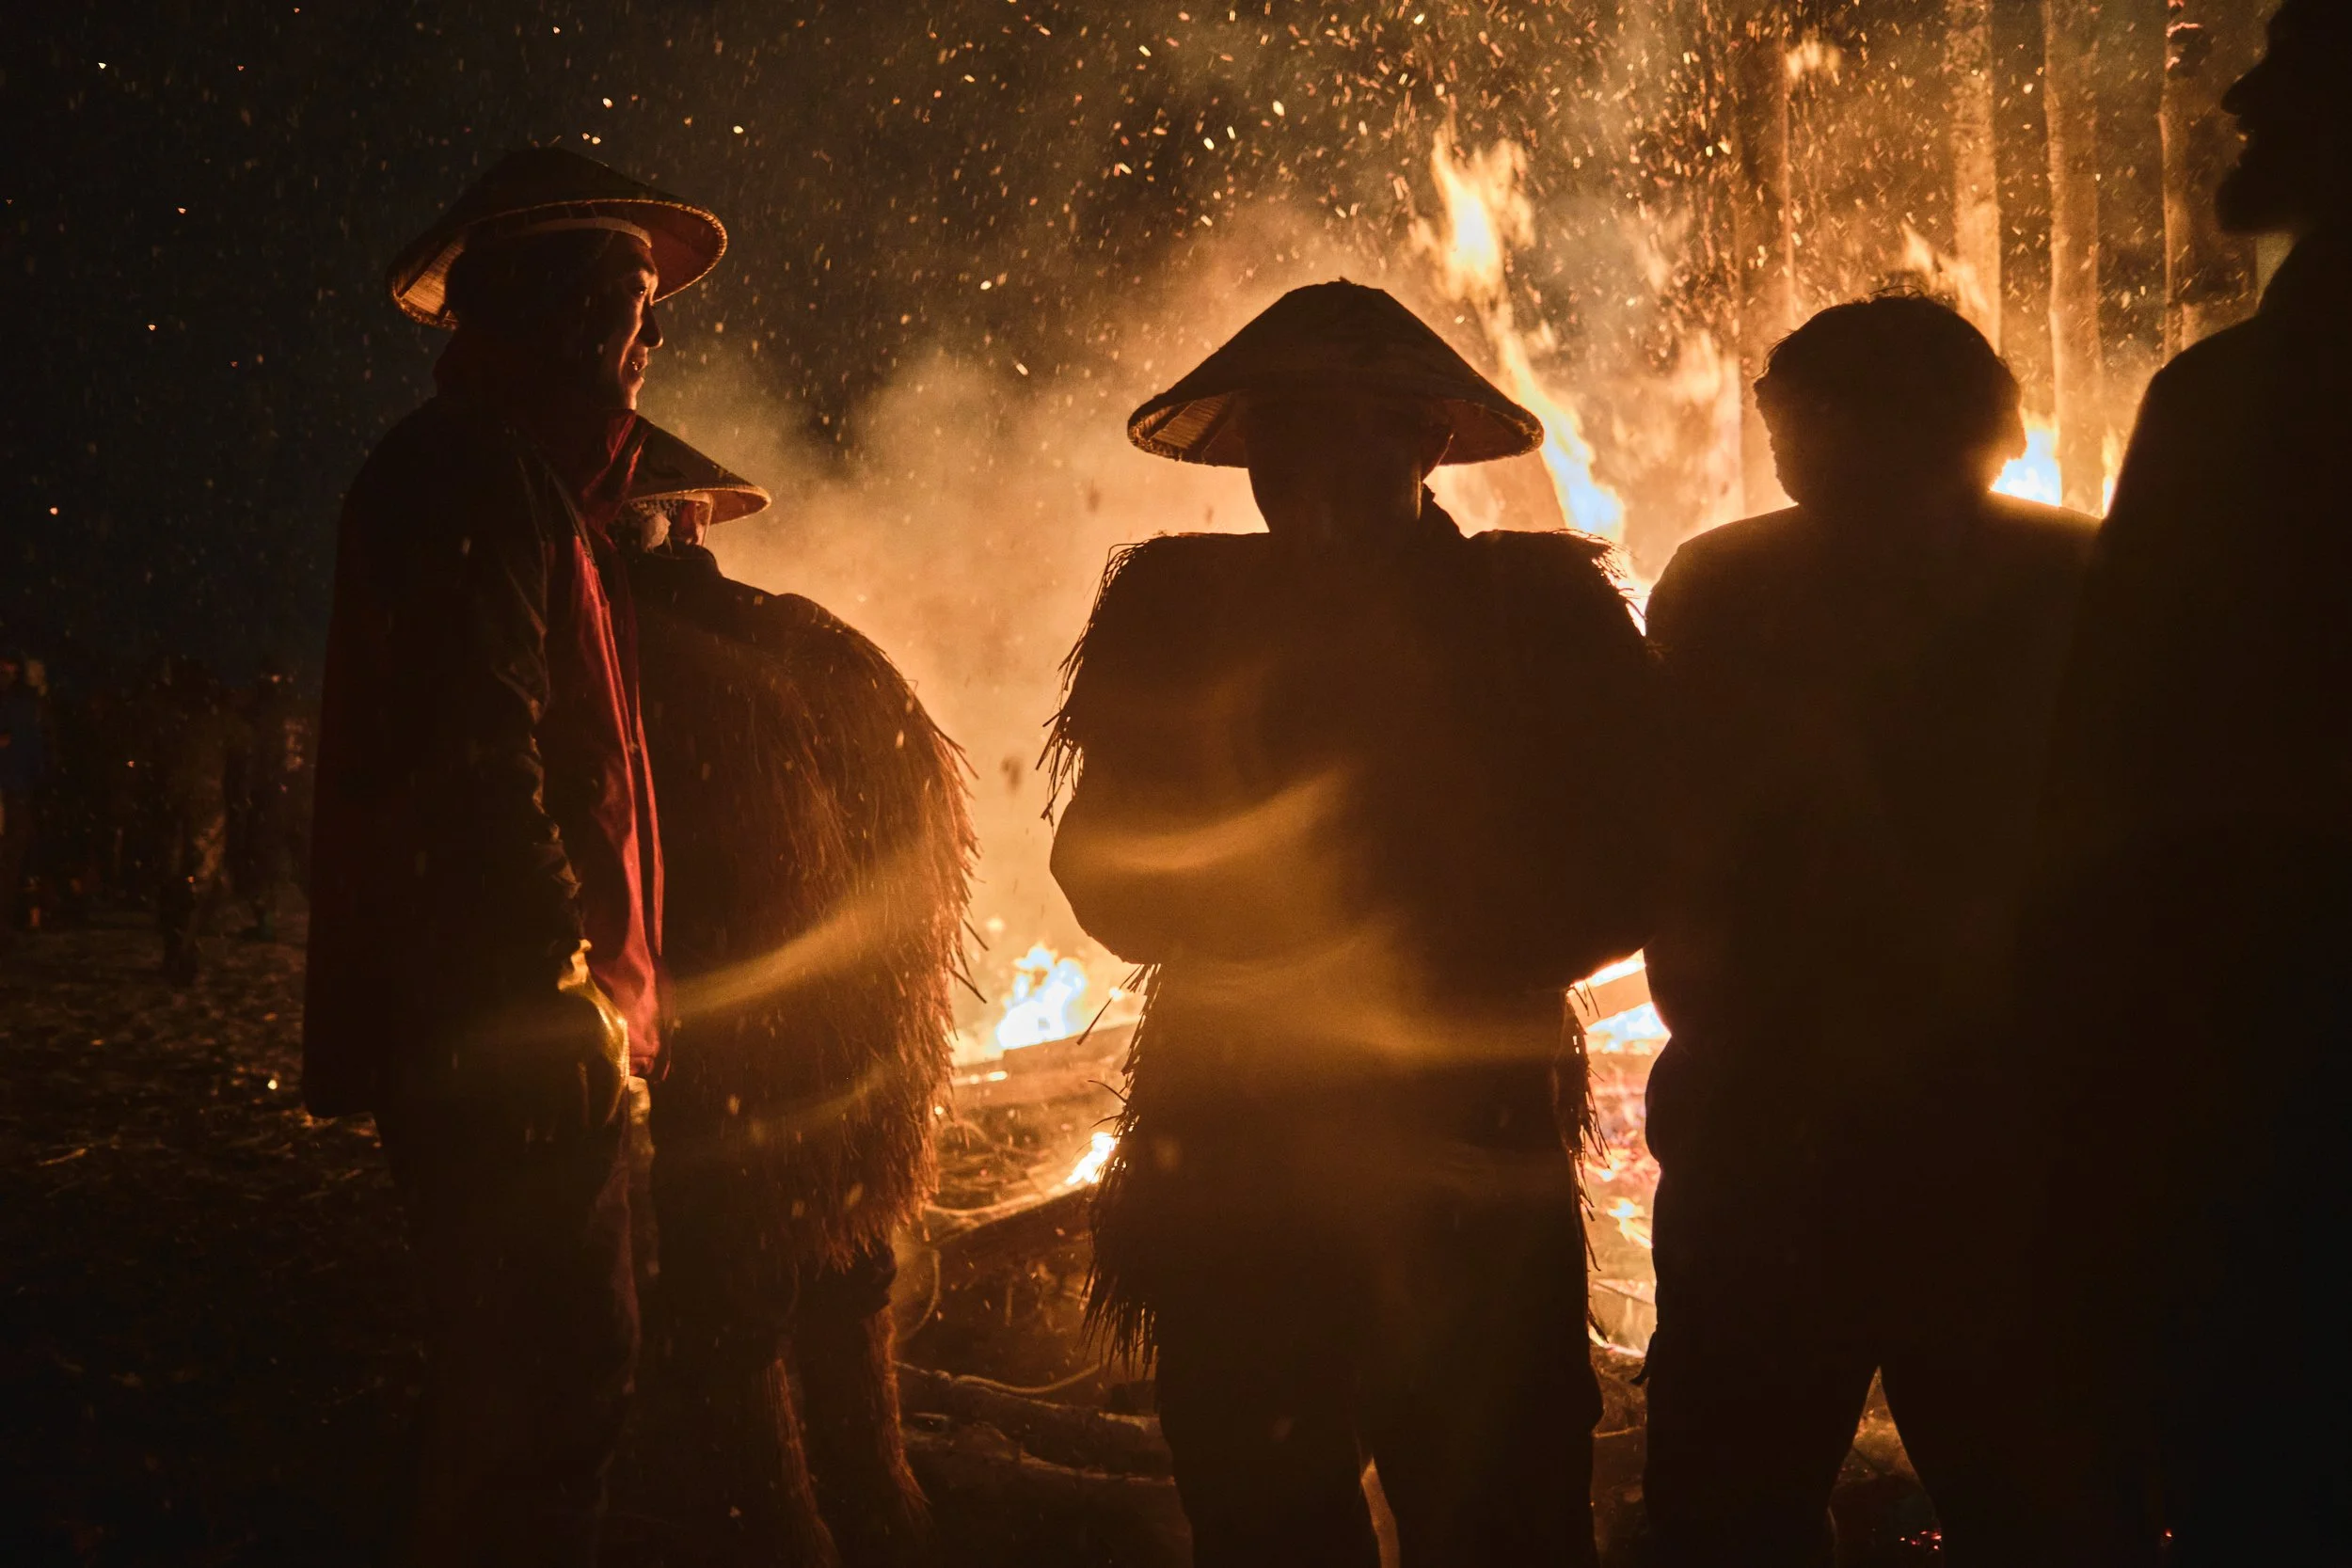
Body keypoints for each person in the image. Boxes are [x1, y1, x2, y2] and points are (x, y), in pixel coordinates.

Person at [1046, 280, 1655, 1567]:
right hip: (1238, 1160)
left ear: (1428, 444)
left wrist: (1435, 945)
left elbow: (1636, 862)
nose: (1315, 470)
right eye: (1288, 438)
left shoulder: (1541, 615)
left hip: (1467, 1154)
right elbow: (1100, 867)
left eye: (1356, 432)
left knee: (1502, 1517)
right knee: (1266, 1517)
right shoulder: (1176, 612)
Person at [302, 148, 724, 1566]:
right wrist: (552, 998)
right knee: (540, 1404)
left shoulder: (525, 486)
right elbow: (474, 770)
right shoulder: (466, 477)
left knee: (552, 1388)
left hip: (531, 1025)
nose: (653, 334)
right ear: (551, 306)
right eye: (631, 296)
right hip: (508, 1034)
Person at [1640, 295, 2103, 1566]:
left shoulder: (1727, 581)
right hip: (1995, 1126)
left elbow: (1661, 818)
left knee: (1732, 1505)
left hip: (1789, 1123)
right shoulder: (2081, 569)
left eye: (1804, 417)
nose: (1787, 444)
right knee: (2037, 1500)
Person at [2021, 4, 2352, 1559]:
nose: (2237, 97)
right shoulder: (2231, 395)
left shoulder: (2235, 406)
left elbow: (2118, 774)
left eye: (2295, 77)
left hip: (2263, 1065)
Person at [613, 425, 974, 1566]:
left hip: (739, 1055)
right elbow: (923, 875)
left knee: (729, 1307)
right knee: (842, 1267)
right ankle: (878, 1505)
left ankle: (782, 1532)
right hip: (859, 1051)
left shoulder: (632, 659)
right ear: (700, 516)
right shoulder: (823, 641)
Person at [148, 655, 233, 986]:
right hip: (205, 809)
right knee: (198, 882)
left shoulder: (167, 718)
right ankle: (184, 953)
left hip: (172, 807)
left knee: (173, 880)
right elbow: (247, 743)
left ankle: (176, 951)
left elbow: (150, 760)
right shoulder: (216, 720)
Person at [227, 654, 304, 941]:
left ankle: (266, 922)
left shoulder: (259, 711)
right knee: (299, 857)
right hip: (297, 793)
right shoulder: (300, 710)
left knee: (260, 858)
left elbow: (249, 755)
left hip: (269, 796)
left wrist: (244, 792)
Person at [0, 650, 44, 954]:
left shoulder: (23, 708)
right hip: (15, 789)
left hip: (15, 789)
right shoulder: (24, 708)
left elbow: (33, 751)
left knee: (10, 860)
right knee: (9, 861)